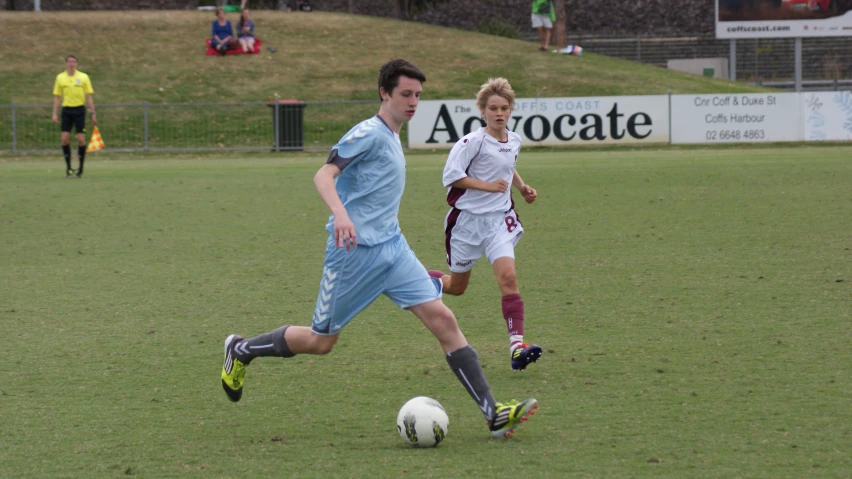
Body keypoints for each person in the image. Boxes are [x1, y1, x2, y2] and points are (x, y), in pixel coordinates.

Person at [220, 59, 538, 439]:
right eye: (405, 94)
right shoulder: (368, 133)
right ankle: (241, 350)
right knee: (321, 342)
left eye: (418, 95)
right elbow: (324, 174)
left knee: (445, 322)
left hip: (394, 249)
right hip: (354, 254)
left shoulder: (392, 135)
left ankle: (493, 414)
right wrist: (340, 214)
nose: (413, 102)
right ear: (384, 93)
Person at [427, 78, 542, 372]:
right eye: (493, 108)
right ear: (483, 110)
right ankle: (422, 279)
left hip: (498, 222)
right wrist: (487, 186)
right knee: (456, 287)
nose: (499, 113)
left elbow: (509, 164)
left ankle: (517, 347)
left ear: (511, 109)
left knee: (508, 278)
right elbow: (451, 177)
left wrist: (522, 187)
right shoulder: (471, 143)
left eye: (504, 108)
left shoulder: (514, 140)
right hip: (466, 224)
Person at [51, 54, 96, 178]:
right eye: (69, 62)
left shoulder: (83, 77)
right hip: (67, 111)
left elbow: (89, 96)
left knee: (81, 139)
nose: (71, 64)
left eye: (74, 62)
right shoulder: (60, 78)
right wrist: (54, 113)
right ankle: (69, 168)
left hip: (80, 110)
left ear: (76, 63)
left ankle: (80, 168)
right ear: (66, 64)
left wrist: (93, 113)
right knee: (65, 139)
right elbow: (57, 97)